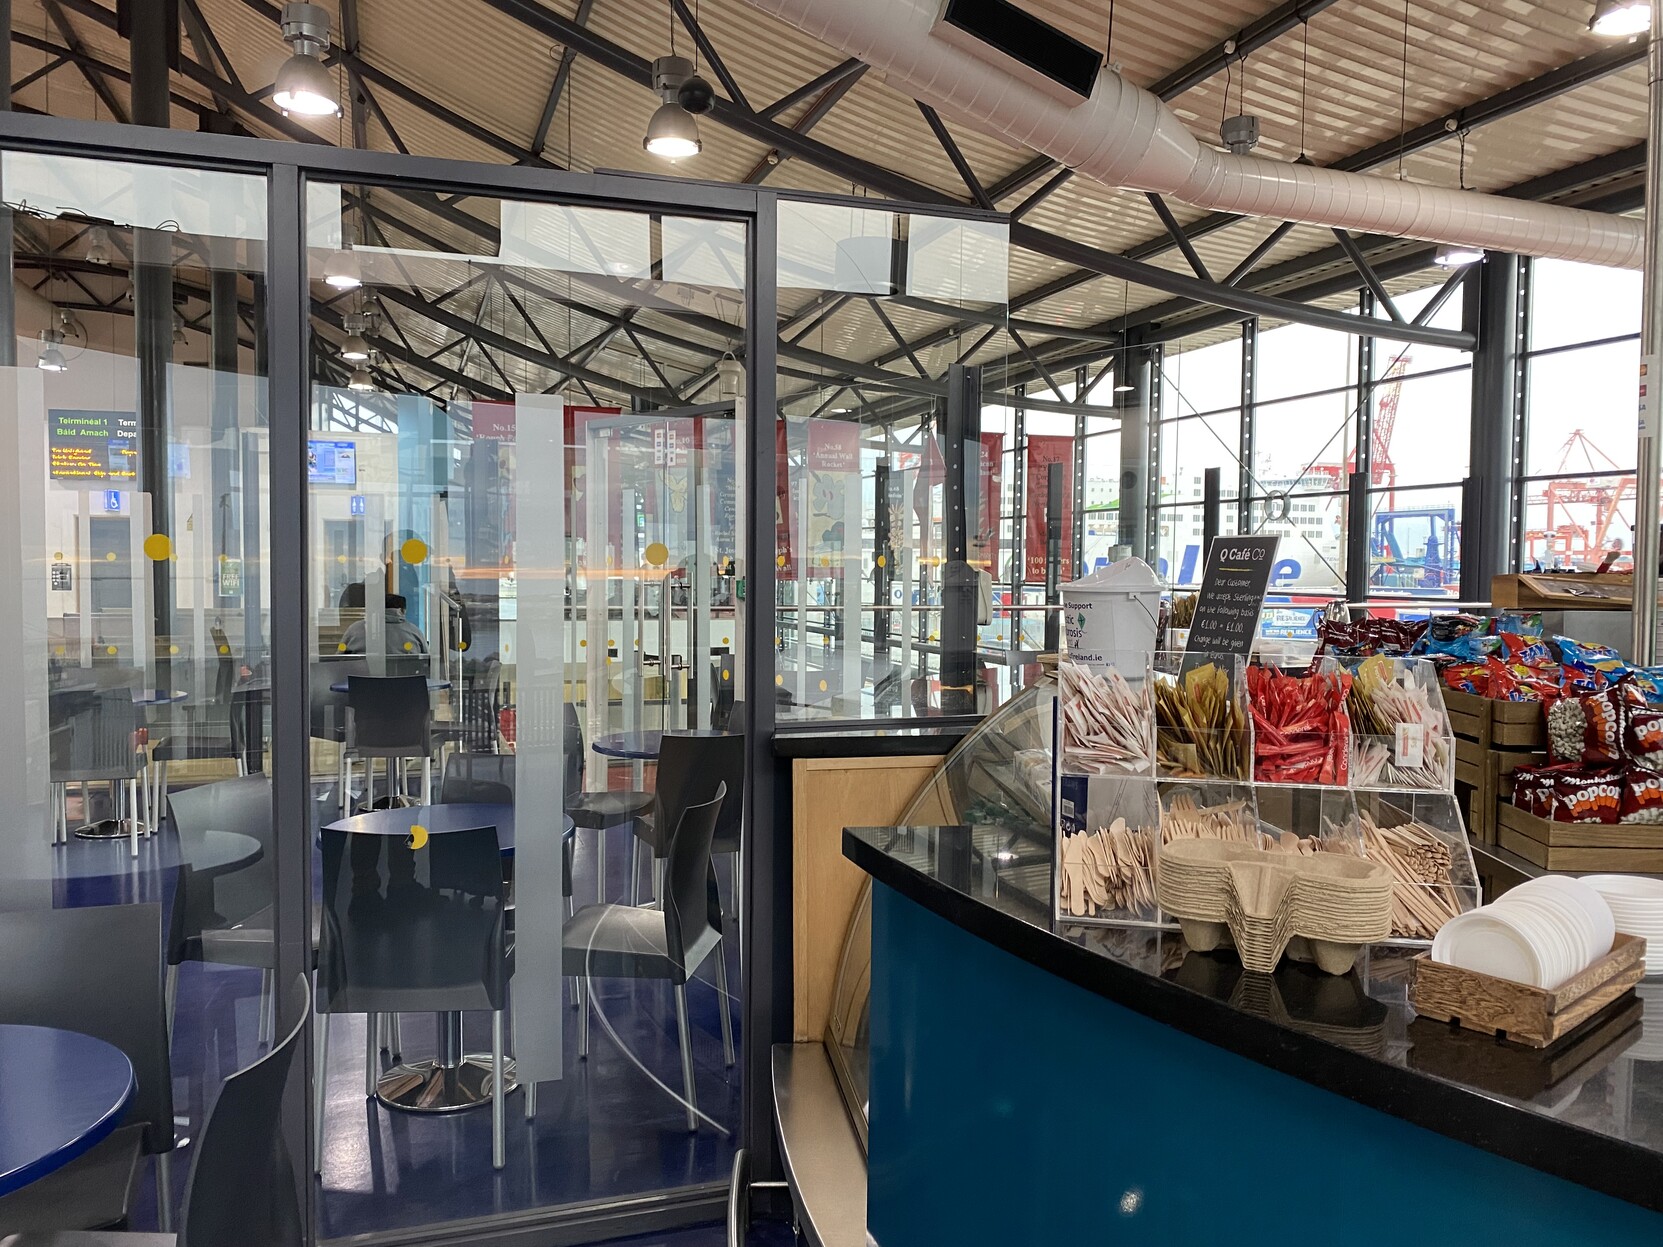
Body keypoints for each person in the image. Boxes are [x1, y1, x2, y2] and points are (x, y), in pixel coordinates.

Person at [340, 593, 428, 662]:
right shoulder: (414, 632)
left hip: (363, 683)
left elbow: (338, 657)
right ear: (402, 610)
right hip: (406, 683)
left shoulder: (355, 629)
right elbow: (427, 659)